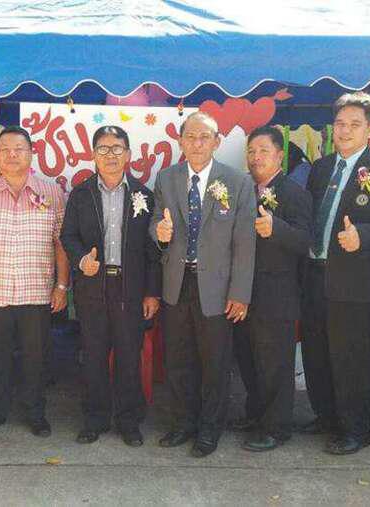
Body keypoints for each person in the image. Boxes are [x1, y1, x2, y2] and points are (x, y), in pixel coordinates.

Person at [300, 92, 370, 455]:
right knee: (316, 351)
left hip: (353, 280)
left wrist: (363, 235)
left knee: (350, 358)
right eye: (340, 123)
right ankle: (326, 416)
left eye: (354, 125)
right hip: (314, 273)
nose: (345, 131)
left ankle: (357, 429)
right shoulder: (320, 168)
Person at [150, 111, 256, 458]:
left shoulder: (237, 182)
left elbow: (245, 242)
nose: (197, 144)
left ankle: (210, 429)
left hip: (218, 289)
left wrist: (240, 293)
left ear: (217, 142)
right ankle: (183, 423)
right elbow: (155, 223)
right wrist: (159, 232)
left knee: (215, 363)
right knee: (178, 360)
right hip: (176, 284)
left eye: (204, 137)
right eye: (191, 137)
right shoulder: (166, 178)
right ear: (180, 141)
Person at [0, 126, 69, 439]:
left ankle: (35, 414)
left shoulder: (52, 192)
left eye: (19, 149)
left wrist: (61, 286)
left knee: (35, 359)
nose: (12, 155)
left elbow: (61, 244)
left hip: (36, 291)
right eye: (5, 150)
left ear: (31, 153)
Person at [60, 125, 161, 447]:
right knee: (93, 356)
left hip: (130, 289)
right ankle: (95, 419)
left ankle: (129, 421)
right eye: (103, 149)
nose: (110, 155)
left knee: (129, 356)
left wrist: (152, 292)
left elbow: (153, 250)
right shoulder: (81, 194)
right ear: (94, 155)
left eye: (117, 148)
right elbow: (67, 236)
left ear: (128, 154)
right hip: (93, 287)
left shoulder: (144, 195)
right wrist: (81, 260)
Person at [231, 126, 313, 452]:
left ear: (279, 155)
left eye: (263, 151)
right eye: (251, 151)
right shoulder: (242, 189)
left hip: (277, 295)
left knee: (274, 364)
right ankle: (255, 415)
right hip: (242, 292)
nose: (256, 157)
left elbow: (305, 241)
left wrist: (276, 228)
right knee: (248, 358)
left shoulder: (294, 193)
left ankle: (276, 428)